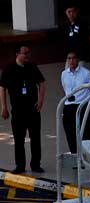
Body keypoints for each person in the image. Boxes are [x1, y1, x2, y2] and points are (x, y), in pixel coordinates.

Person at [1, 45, 46, 173]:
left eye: (28, 52)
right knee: (19, 139)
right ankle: (20, 165)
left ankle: (35, 164)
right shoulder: (9, 69)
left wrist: (41, 100)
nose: (27, 55)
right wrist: (4, 107)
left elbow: (42, 83)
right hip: (18, 111)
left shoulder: (32, 67)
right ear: (17, 54)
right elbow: (2, 88)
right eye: (25, 53)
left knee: (35, 138)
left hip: (33, 109)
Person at [60, 50, 90, 154]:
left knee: (85, 134)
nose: (71, 61)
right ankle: (75, 157)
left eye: (73, 58)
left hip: (81, 105)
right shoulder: (64, 74)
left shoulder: (86, 73)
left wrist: (87, 105)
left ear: (78, 60)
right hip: (68, 106)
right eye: (69, 58)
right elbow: (64, 87)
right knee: (70, 134)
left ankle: (88, 157)